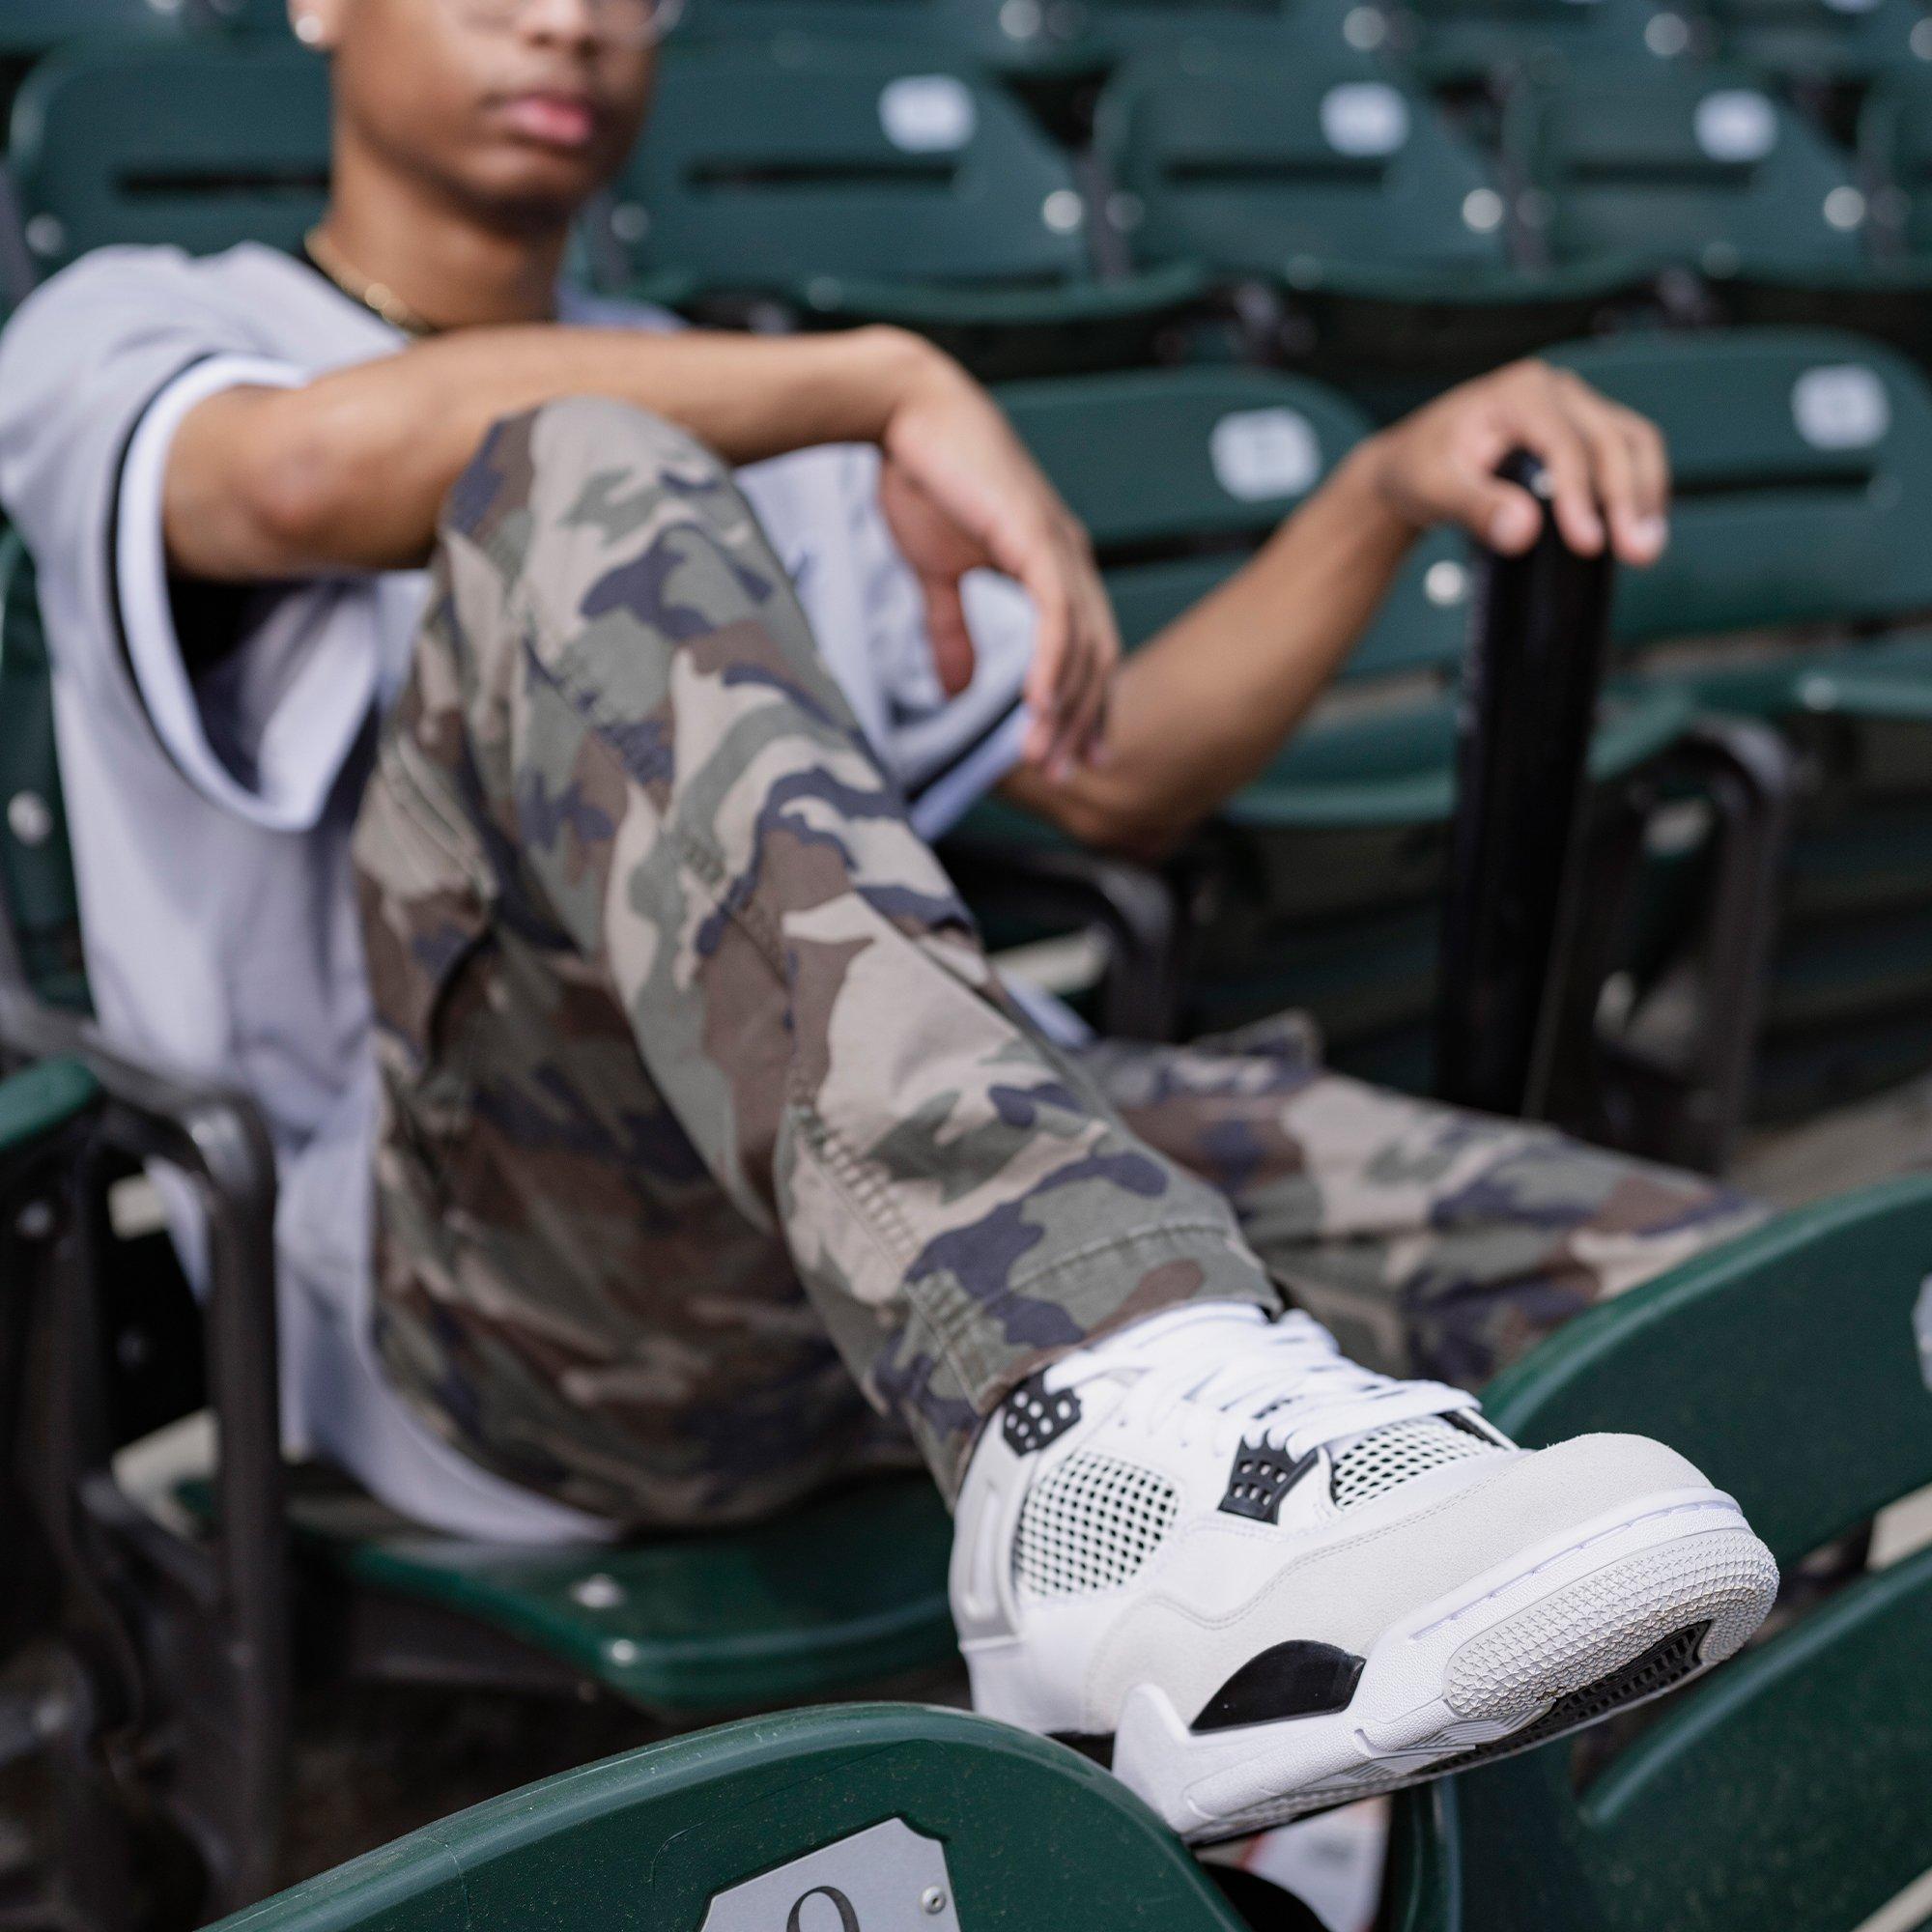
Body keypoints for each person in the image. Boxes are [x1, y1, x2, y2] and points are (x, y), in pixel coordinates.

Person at [0, 0, 1776, 1838]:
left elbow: (1113, 775)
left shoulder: (718, 393)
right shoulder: (136, 324)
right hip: (519, 1313)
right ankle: (1106, 1464)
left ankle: (1334, 1642)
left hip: (885, 1256)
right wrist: (877, 381)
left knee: (1728, 1296)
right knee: (574, 463)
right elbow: (292, 476)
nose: (568, 20)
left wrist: (1379, 488)